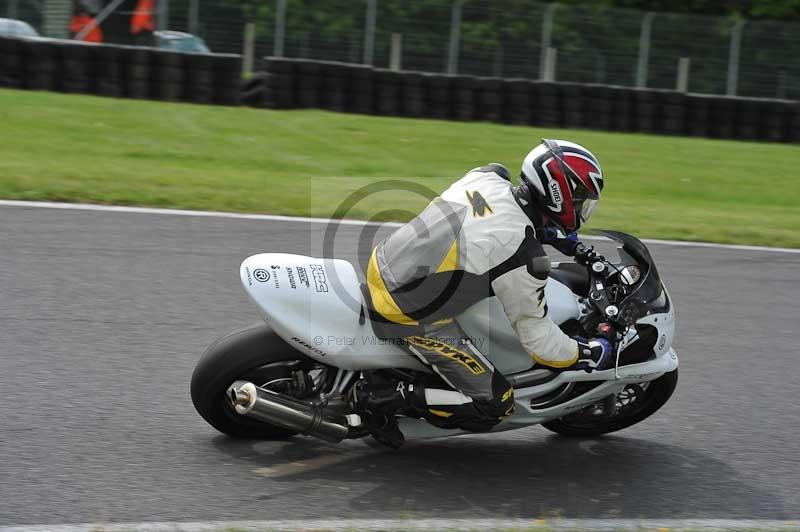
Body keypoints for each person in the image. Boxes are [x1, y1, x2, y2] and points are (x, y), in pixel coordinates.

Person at [355, 139, 613, 447]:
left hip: (385, 259)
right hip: (404, 310)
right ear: (560, 195)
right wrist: (587, 352)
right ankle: (385, 399)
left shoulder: (488, 175)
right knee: (496, 403)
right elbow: (539, 342)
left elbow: (492, 221)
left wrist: (561, 239)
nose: (583, 207)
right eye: (581, 198)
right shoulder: (525, 258)